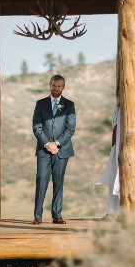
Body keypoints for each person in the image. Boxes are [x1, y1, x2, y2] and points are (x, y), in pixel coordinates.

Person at [32, 74, 76, 225]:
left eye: (59, 86)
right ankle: (38, 216)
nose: (56, 88)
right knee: (41, 180)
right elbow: (36, 127)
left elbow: (70, 129)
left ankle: (57, 215)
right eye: (53, 85)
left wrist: (56, 144)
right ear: (49, 85)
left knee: (58, 181)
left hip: (62, 150)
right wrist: (47, 144)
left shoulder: (69, 105)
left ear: (63, 87)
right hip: (43, 149)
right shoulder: (40, 103)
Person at [92, 89, 120, 219]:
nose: (119, 98)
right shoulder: (117, 111)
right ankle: (111, 212)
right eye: (118, 95)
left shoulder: (129, 111)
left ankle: (123, 213)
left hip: (125, 150)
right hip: (116, 149)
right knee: (113, 179)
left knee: (121, 182)